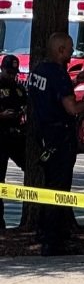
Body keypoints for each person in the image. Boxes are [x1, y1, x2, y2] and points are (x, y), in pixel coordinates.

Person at [25, 32, 84, 255]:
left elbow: (48, 94)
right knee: (59, 189)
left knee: (49, 186)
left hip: (43, 135)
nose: (71, 54)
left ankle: (45, 230)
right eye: (68, 49)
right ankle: (52, 241)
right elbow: (72, 108)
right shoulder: (58, 74)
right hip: (60, 137)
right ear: (60, 50)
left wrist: (74, 82)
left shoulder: (38, 70)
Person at [0, 54, 28, 231]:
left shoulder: (19, 89)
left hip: (17, 137)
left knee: (32, 167)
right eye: (9, 72)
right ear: (2, 69)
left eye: (14, 73)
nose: (12, 76)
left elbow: (26, 105)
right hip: (0, 137)